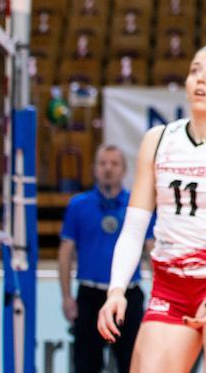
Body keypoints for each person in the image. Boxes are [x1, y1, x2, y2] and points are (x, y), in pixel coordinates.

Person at [96, 45, 206, 373]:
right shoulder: (158, 140)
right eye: (195, 70)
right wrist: (117, 290)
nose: (200, 78)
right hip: (171, 285)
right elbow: (134, 230)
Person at [59, 144, 155, 373]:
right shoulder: (78, 205)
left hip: (128, 297)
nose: (108, 169)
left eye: (114, 164)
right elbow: (65, 253)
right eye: (103, 163)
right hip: (90, 296)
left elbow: (152, 251)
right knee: (85, 366)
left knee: (132, 364)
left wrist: (159, 298)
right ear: (94, 169)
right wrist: (66, 297)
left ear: (124, 170)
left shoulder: (137, 205)